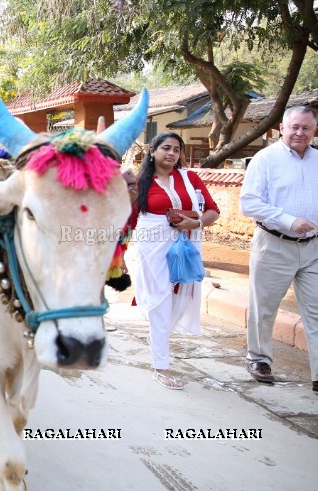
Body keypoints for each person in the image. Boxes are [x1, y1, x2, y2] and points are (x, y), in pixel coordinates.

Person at [127, 132, 220, 390]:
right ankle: (161, 365)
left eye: (177, 150)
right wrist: (118, 255)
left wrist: (196, 222)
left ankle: (158, 341)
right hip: (151, 248)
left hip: (185, 246)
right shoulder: (139, 182)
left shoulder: (190, 178)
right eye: (166, 148)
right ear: (152, 150)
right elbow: (128, 219)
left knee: (179, 303)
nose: (171, 153)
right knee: (160, 302)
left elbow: (212, 210)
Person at [240, 106, 318, 389]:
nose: (300, 132)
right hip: (273, 244)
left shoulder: (317, 160)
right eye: (294, 127)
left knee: (316, 310)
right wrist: (288, 220)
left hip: (313, 249)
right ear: (282, 128)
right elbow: (249, 203)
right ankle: (259, 358)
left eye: (306, 128)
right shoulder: (265, 159)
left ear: (314, 130)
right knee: (264, 307)